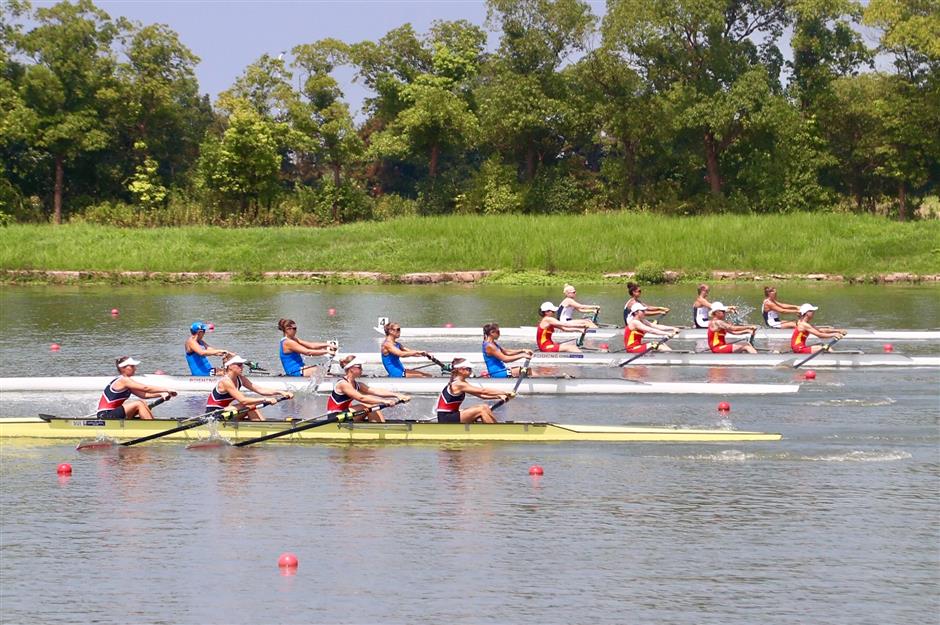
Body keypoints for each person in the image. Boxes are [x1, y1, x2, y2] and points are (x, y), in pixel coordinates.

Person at [205, 355, 291, 422]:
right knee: (249, 405)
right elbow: (243, 400)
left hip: (226, 411)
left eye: (242, 365)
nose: (242, 367)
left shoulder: (240, 378)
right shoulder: (226, 382)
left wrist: (281, 392)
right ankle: (260, 429)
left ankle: (263, 424)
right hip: (214, 415)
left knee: (252, 406)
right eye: (239, 365)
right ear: (230, 366)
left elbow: (260, 390)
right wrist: (265, 400)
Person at [327, 356, 411, 423]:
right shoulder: (343, 384)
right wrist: (384, 401)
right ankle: (379, 430)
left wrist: (397, 395)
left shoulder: (357, 385)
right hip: (335, 417)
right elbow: (361, 398)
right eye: (359, 367)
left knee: (373, 407)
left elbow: (376, 391)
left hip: (346, 414)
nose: (362, 369)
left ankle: (379, 426)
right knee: (370, 406)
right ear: (351, 369)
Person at [96, 357, 178, 420]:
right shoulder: (124, 380)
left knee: (142, 402)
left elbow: (144, 395)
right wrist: (166, 389)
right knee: (138, 404)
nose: (135, 368)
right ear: (123, 368)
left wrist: (161, 394)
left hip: (114, 413)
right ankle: (153, 427)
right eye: (132, 366)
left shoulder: (127, 383)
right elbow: (145, 388)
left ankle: (151, 422)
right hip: (105, 416)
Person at [436, 359, 514, 424]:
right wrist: (504, 392)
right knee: (482, 409)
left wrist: (499, 396)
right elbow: (483, 391)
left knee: (484, 407)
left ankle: (495, 427)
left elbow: (481, 396)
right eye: (468, 369)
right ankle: (496, 432)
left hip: (451, 415)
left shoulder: (462, 383)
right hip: (446, 418)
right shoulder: (459, 384)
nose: (471, 371)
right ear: (460, 370)